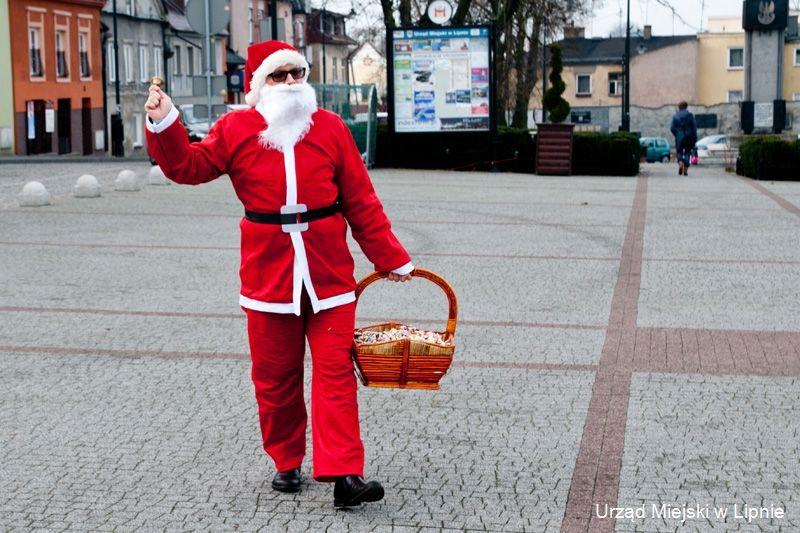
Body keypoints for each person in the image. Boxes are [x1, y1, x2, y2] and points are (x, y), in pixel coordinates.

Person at [144, 40, 413, 508]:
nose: (291, 82)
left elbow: (361, 199)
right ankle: (286, 459)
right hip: (268, 278)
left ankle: (345, 473)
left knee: (335, 375)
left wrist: (390, 257)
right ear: (258, 85)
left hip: (329, 277)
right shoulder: (235, 129)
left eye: (297, 73)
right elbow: (187, 166)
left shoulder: (330, 128)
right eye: (279, 75)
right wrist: (165, 122)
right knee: (275, 378)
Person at [670, 101, 698, 176]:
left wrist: (677, 134)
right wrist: (695, 138)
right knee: (687, 152)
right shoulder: (690, 116)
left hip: (679, 137)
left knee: (679, 152)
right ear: (686, 107)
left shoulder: (675, 116)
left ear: (679, 107)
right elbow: (694, 128)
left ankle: (680, 163)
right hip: (689, 137)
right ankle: (685, 170)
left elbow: (672, 128)